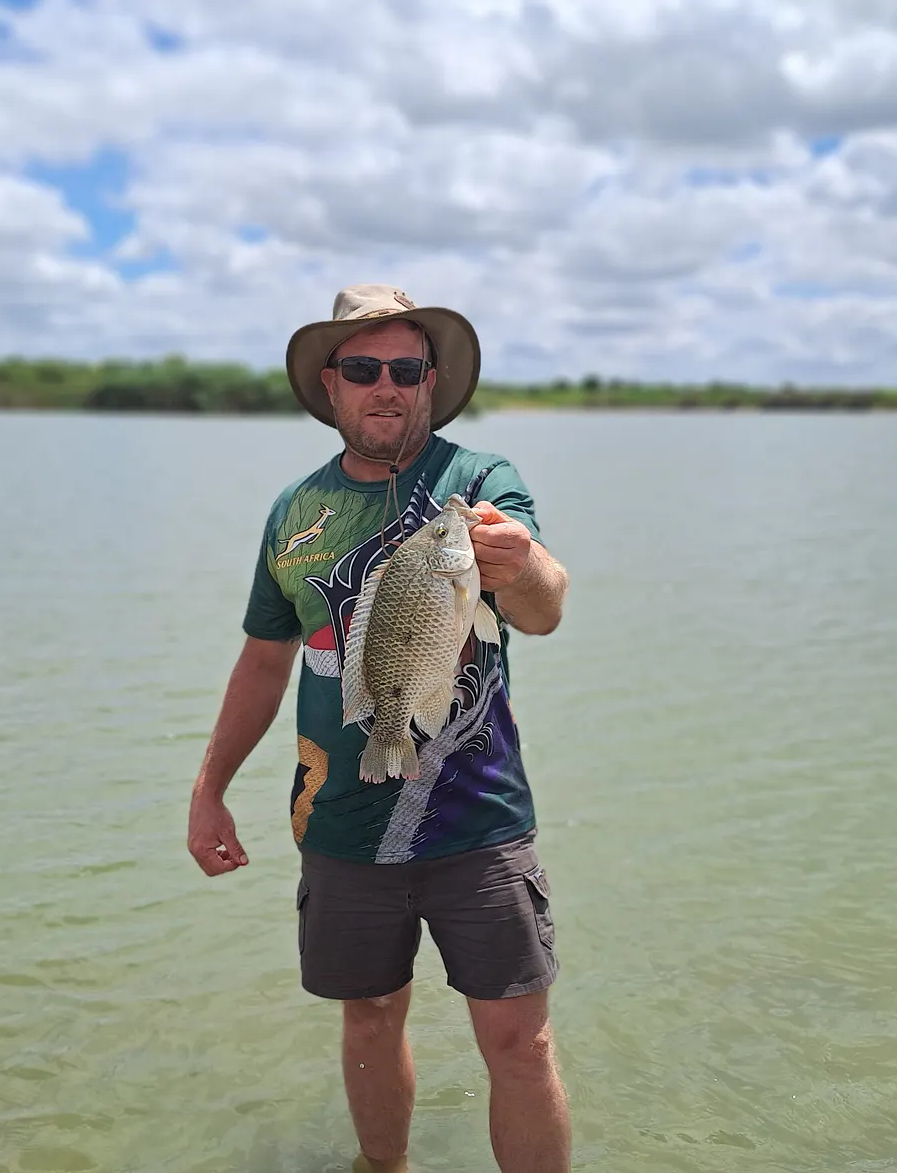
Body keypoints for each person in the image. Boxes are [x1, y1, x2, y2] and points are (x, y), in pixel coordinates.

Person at [186, 284, 572, 1172]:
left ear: (432, 382)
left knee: (522, 1045)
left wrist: (521, 567)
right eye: (364, 370)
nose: (386, 386)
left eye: (406, 369)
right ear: (331, 386)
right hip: (340, 824)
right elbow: (262, 662)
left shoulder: (478, 486)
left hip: (479, 822)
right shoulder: (293, 513)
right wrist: (209, 791)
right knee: (369, 1019)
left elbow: (544, 608)